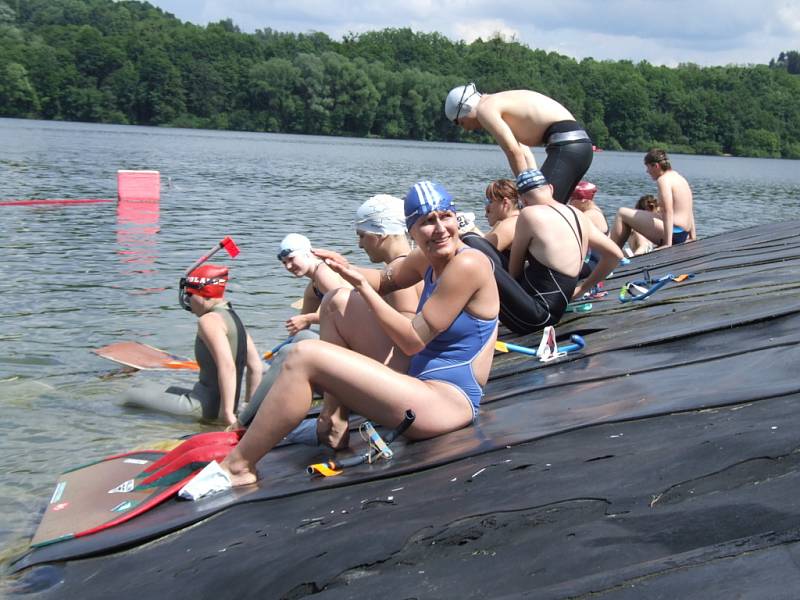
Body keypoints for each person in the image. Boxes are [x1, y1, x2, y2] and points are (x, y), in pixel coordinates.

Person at [219, 181, 499, 486]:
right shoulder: (426, 257)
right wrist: (338, 267)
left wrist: (364, 289)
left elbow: (411, 339)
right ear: (412, 231)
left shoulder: (468, 263)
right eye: (427, 222)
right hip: (419, 377)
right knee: (335, 302)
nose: (440, 228)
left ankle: (238, 468)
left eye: (445, 216)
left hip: (447, 403)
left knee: (303, 355)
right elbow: (384, 279)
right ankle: (334, 423)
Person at [465, 170, 622, 335]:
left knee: (471, 241)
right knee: (480, 248)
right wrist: (583, 289)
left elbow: (514, 271)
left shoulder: (529, 214)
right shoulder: (578, 214)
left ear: (523, 200)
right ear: (551, 189)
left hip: (534, 317)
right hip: (554, 311)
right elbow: (615, 254)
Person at [232, 233, 351, 428]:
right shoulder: (313, 286)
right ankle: (258, 408)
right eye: (284, 262)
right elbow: (298, 333)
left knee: (290, 353)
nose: (288, 266)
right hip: (347, 344)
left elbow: (343, 309)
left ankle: (243, 422)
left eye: (291, 259)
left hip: (359, 348)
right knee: (296, 342)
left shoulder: (324, 272)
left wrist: (307, 319)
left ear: (307, 254)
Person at [123, 264, 263, 426]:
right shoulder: (233, 317)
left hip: (202, 407)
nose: (187, 299)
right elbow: (255, 366)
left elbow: (228, 367)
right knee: (144, 384)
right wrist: (247, 409)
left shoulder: (208, 321)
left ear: (204, 294)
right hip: (214, 401)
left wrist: (226, 416)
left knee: (128, 395)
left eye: (190, 294)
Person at [445, 84, 593, 202]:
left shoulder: (485, 109)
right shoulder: (499, 102)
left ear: (464, 108)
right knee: (552, 209)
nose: (465, 128)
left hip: (567, 147)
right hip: (578, 146)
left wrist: (526, 191)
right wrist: (534, 185)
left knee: (541, 212)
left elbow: (512, 152)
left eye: (459, 123)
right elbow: (523, 152)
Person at [610, 148, 695, 250]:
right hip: (682, 232)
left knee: (622, 213)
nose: (647, 171)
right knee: (631, 214)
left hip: (674, 233)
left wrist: (668, 244)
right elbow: (689, 209)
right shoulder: (679, 177)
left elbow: (667, 211)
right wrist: (692, 236)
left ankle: (611, 254)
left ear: (656, 166)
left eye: (648, 167)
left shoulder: (663, 180)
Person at [568, 180, 609, 278]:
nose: (569, 203)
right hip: (598, 263)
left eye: (572, 199)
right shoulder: (596, 210)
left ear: (584, 200)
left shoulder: (588, 216)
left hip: (591, 265)